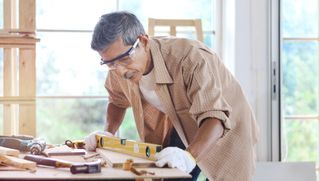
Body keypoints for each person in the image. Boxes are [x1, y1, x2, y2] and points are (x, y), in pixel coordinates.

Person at [85, 11, 259, 181]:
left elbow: (215, 116)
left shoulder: (190, 58)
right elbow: (117, 100)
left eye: (124, 59)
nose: (120, 70)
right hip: (179, 122)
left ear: (143, 42)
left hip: (223, 125)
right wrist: (108, 133)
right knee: (167, 173)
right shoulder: (118, 67)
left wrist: (189, 157)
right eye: (109, 63)